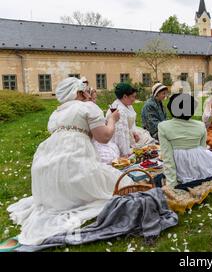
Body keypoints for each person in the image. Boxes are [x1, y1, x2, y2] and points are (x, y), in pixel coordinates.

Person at [7, 77, 134, 246]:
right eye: (86, 90)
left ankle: (67, 192)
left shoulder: (56, 113)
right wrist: (112, 120)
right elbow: (103, 137)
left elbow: (83, 134)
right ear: (79, 92)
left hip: (45, 165)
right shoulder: (88, 107)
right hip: (75, 161)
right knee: (123, 183)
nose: (89, 93)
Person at [158, 93, 212, 187]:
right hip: (198, 165)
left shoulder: (163, 126)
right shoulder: (200, 125)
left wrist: (171, 183)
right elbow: (203, 150)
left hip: (179, 168)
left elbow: (167, 157)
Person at [94, 83, 154, 164]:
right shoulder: (120, 110)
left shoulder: (128, 105)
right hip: (118, 137)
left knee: (147, 140)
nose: (134, 99)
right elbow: (120, 134)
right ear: (125, 96)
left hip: (129, 133)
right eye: (132, 97)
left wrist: (134, 132)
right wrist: (125, 153)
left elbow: (131, 123)